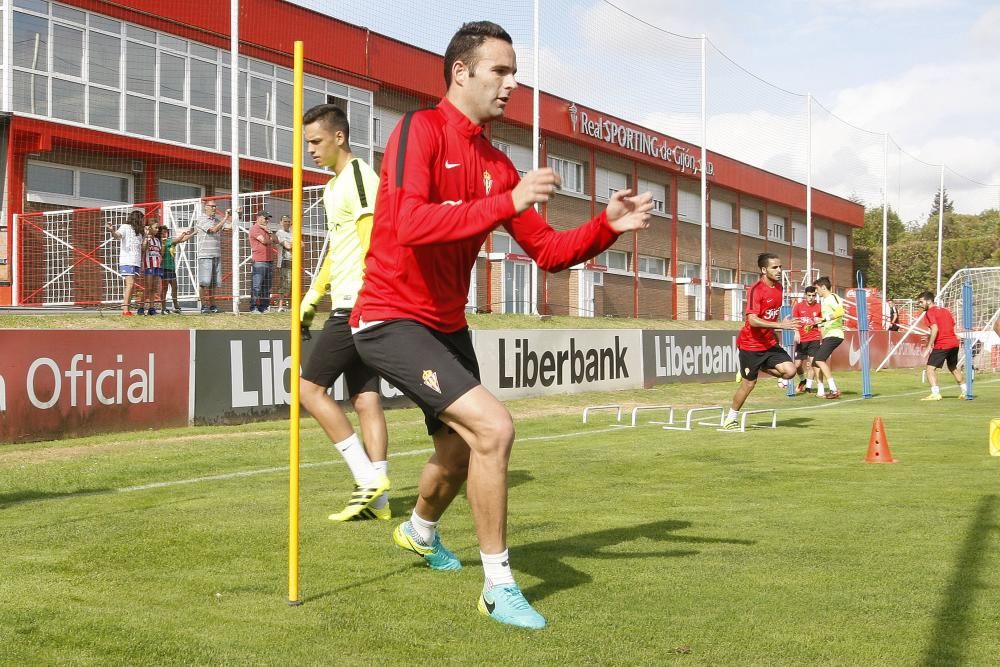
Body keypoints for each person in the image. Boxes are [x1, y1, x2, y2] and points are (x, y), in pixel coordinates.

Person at [349, 21, 652, 630]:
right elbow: (408, 222)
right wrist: (506, 204)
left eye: (514, 72)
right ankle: (498, 585)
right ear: (460, 71)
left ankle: (419, 529)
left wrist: (603, 228)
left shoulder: (495, 162)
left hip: (446, 325)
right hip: (388, 316)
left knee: (458, 452)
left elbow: (545, 250)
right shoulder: (418, 130)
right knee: (495, 428)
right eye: (500, 70)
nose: (511, 84)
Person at [298, 103, 391, 523]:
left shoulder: (359, 176)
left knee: (308, 391)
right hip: (346, 301)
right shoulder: (331, 187)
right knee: (366, 399)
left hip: (359, 303)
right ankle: (382, 501)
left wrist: (373, 292)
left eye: (316, 142)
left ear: (339, 137)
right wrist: (313, 296)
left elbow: (374, 237)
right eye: (307, 144)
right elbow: (338, 250)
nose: (310, 151)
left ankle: (366, 478)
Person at [722, 253, 797, 430]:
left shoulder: (779, 288)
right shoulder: (756, 290)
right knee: (749, 384)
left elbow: (770, 314)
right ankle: (730, 418)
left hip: (769, 343)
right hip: (750, 345)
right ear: (764, 270)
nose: (779, 270)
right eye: (774, 267)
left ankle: (761, 366)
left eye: (780, 267)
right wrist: (780, 325)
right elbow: (753, 320)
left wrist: (775, 329)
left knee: (790, 371)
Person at [916, 291, 967, 400]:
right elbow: (952, 325)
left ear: (929, 301)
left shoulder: (929, 313)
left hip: (942, 344)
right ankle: (965, 391)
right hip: (954, 343)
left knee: (930, 369)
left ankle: (935, 393)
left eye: (921, 302)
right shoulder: (945, 311)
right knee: (953, 367)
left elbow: (935, 328)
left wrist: (929, 345)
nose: (920, 304)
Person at [194, 200, 232, 314]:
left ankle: (212, 305)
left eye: (215, 206)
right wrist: (225, 218)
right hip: (205, 254)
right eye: (212, 206)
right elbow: (213, 230)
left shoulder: (216, 220)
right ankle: (203, 305)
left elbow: (228, 227)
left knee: (213, 283)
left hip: (216, 254)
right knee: (204, 282)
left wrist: (235, 215)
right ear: (206, 207)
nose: (214, 208)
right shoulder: (201, 219)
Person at [812, 276, 845, 399]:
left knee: (819, 360)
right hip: (828, 334)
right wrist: (817, 324)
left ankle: (834, 389)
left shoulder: (832, 297)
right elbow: (826, 320)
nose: (816, 291)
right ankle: (820, 391)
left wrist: (824, 319)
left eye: (817, 288)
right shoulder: (825, 301)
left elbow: (840, 312)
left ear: (823, 287)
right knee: (816, 363)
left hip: (835, 334)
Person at [107, 210, 145, 316]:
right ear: (137, 219)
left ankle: (127, 308)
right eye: (141, 219)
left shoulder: (140, 233)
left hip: (136, 261)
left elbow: (142, 248)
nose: (143, 221)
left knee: (132, 286)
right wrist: (112, 231)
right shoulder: (125, 227)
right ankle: (125, 309)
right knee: (130, 284)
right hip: (127, 260)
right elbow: (117, 236)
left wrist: (147, 238)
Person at [791, 285, 822, 394]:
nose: (811, 298)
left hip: (814, 338)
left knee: (813, 363)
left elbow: (822, 322)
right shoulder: (798, 306)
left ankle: (808, 387)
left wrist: (820, 323)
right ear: (805, 295)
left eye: (813, 295)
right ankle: (803, 380)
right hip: (801, 339)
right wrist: (796, 333)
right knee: (797, 365)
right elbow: (794, 321)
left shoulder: (819, 307)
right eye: (809, 295)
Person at [159, 224, 196, 314]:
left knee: (175, 287)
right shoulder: (163, 242)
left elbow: (182, 240)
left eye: (166, 233)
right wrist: (183, 233)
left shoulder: (169, 241)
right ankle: (163, 307)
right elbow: (179, 239)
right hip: (165, 268)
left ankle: (175, 305)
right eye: (163, 233)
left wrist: (193, 233)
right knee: (165, 289)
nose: (165, 235)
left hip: (172, 268)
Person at [249, 211, 277, 313]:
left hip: (269, 260)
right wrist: (270, 239)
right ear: (259, 218)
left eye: (268, 219)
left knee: (267, 286)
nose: (267, 220)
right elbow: (264, 241)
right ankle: (254, 307)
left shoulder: (267, 229)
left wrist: (270, 233)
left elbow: (276, 240)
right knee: (257, 285)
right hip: (259, 261)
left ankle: (264, 307)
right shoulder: (255, 228)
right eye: (265, 218)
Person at [139, 220, 163, 315]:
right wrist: (146, 237)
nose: (157, 230)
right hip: (148, 265)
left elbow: (160, 253)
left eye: (158, 228)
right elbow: (143, 249)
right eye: (155, 228)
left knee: (154, 288)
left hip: (157, 266)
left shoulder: (157, 240)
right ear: (149, 228)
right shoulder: (146, 238)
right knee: (147, 288)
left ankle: (151, 308)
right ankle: (141, 307)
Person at [273, 215, 293, 312]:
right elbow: (287, 246)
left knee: (293, 284)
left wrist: (291, 243)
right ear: (281, 222)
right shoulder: (279, 233)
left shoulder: (293, 233)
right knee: (284, 283)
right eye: (285, 221)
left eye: (288, 221)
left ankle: (291, 306)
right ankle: (280, 306)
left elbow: (302, 244)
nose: (287, 223)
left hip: (294, 261)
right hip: (284, 261)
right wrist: (293, 243)